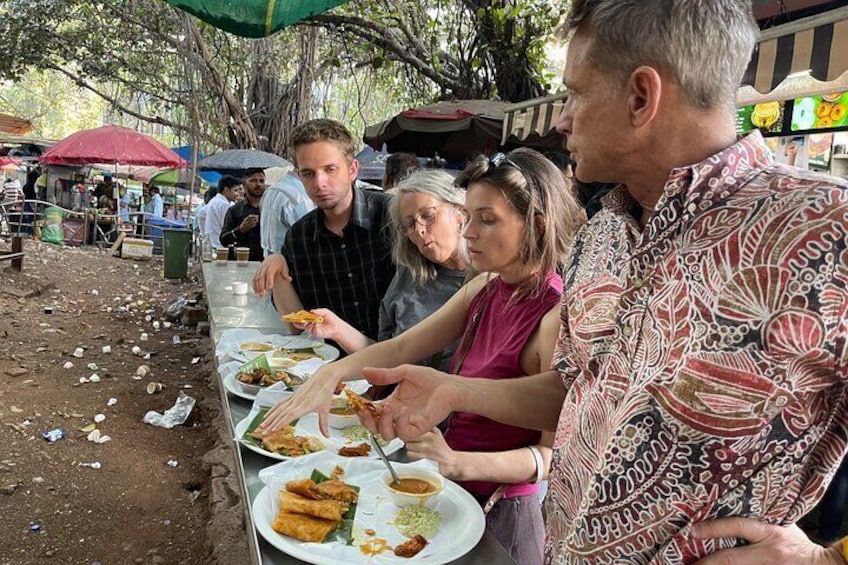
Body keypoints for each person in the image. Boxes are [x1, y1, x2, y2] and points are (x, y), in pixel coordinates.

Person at [351, 1, 848, 564]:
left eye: (577, 93)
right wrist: (456, 390)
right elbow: (577, 392)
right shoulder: (602, 234)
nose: (562, 120)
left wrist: (825, 559)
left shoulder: (825, 229)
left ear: (641, 96)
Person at [260, 148, 586, 564]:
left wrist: (456, 462)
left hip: (504, 512)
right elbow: (400, 347)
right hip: (449, 493)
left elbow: (549, 453)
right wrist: (332, 373)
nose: (470, 234)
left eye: (488, 220)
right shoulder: (484, 287)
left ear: (536, 225)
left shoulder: (554, 315)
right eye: (468, 218)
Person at [291, 169, 469, 370]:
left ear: (460, 212)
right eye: (409, 224)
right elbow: (388, 356)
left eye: (428, 215)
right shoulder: (408, 277)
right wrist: (337, 330)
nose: (419, 230)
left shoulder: (492, 283)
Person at [251, 119, 395, 341]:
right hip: (327, 366)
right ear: (299, 177)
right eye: (309, 173)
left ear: (352, 169)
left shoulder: (392, 217)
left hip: (398, 363)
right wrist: (277, 264)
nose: (320, 183)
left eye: (330, 169)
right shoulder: (299, 237)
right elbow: (297, 326)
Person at [260, 167, 315, 258]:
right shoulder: (300, 196)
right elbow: (309, 242)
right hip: (291, 265)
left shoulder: (272, 190)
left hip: (271, 262)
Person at [220, 169, 265, 261]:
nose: (258, 185)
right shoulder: (235, 210)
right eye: (253, 181)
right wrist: (240, 229)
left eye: (261, 181)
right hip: (242, 263)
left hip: (265, 263)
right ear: (244, 185)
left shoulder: (271, 209)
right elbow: (224, 239)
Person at [204, 175, 240, 251]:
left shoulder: (215, 201)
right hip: (219, 246)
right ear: (226, 190)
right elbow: (227, 229)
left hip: (213, 244)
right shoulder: (224, 205)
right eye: (235, 190)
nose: (238, 194)